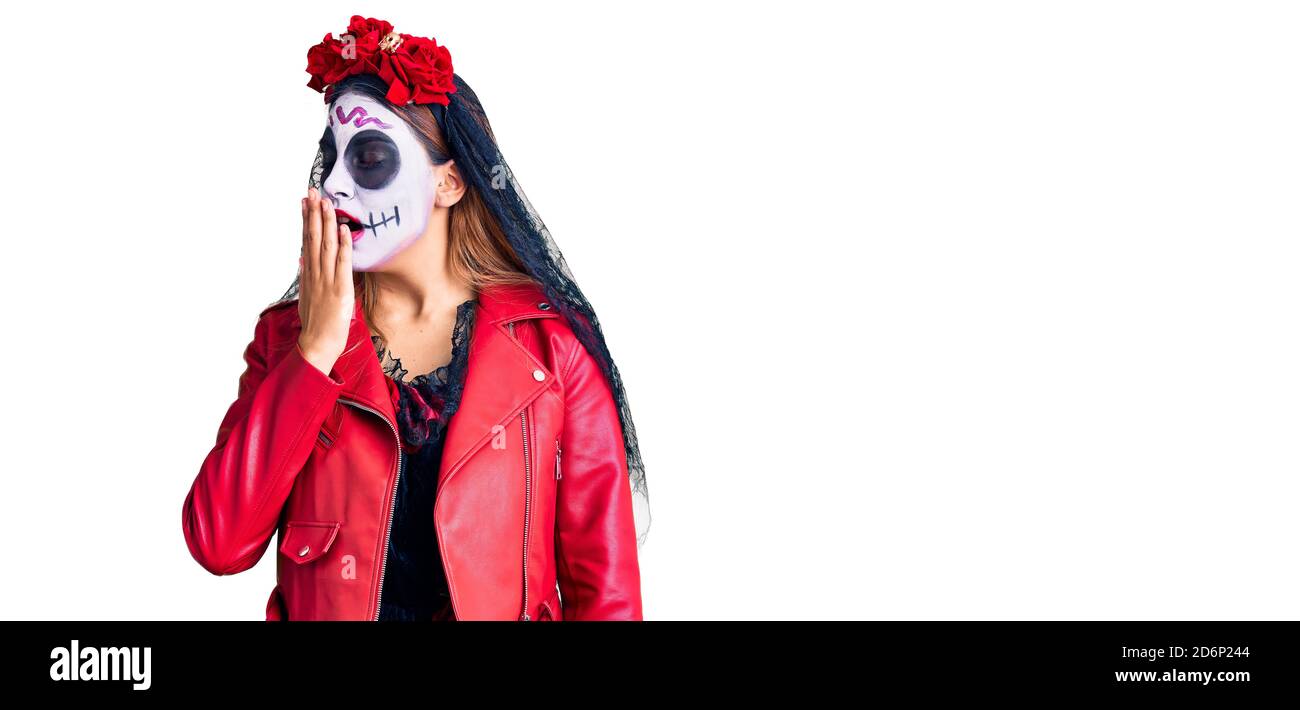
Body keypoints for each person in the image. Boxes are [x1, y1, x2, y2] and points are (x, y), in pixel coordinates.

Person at [181, 15, 650, 621]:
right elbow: (218, 543)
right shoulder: (285, 338)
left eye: (370, 157)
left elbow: (607, 592)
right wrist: (316, 352)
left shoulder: (551, 347)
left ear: (450, 182)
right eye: (332, 161)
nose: (336, 189)